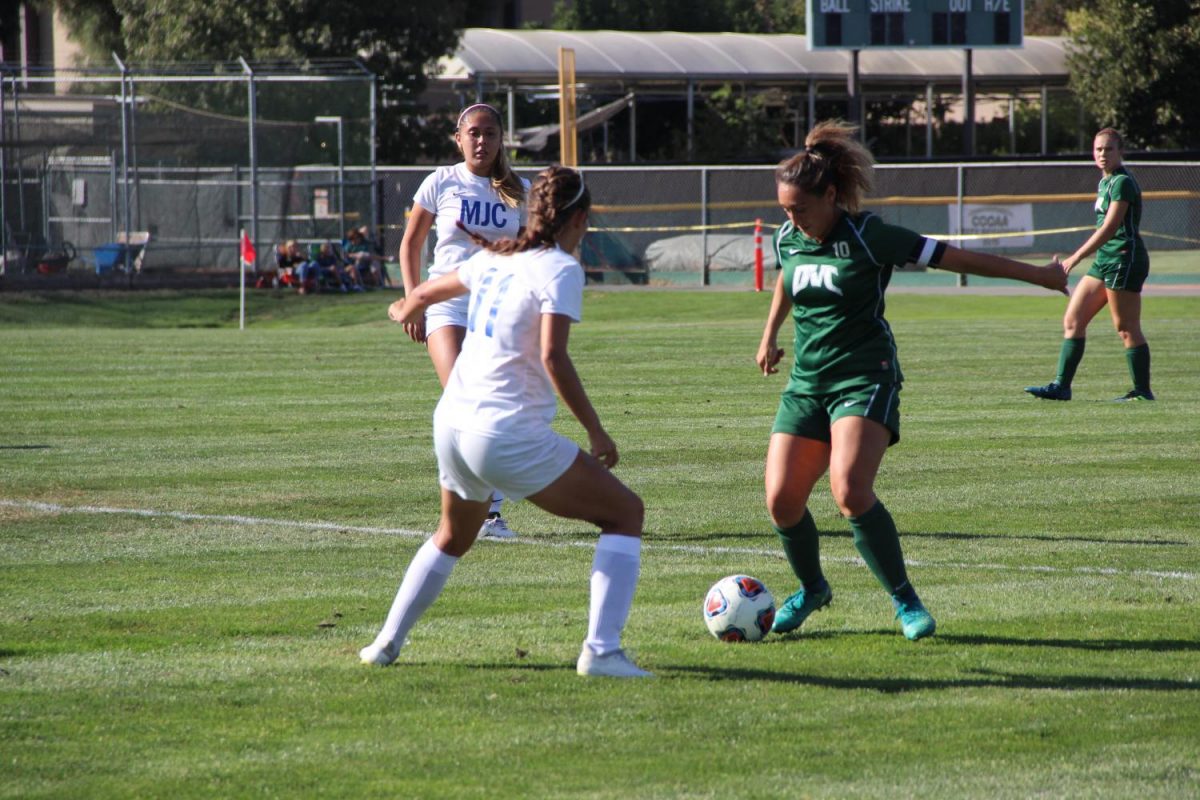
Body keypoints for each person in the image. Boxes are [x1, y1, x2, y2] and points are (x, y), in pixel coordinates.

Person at [756, 121, 1068, 641]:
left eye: (800, 208)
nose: (790, 219)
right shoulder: (791, 237)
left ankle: (906, 602)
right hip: (806, 382)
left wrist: (1037, 275)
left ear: (831, 195)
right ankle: (813, 589)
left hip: (865, 376)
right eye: (785, 210)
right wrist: (769, 334)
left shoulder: (870, 235)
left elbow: (957, 257)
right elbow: (789, 279)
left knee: (850, 490)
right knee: (781, 501)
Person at [361, 166, 650, 678]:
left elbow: (426, 295)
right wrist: (597, 431)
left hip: (452, 423)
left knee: (452, 536)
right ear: (580, 219)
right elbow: (554, 357)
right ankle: (601, 652)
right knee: (625, 512)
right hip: (503, 432)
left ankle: (384, 643)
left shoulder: (495, 254)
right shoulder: (560, 268)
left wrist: (401, 306)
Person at [398, 103, 530, 539]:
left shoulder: (520, 190)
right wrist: (414, 299)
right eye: (473, 133)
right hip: (447, 304)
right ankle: (486, 511)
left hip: (497, 311)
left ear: (500, 140)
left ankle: (480, 506)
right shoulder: (442, 181)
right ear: (458, 137)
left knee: (487, 406)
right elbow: (411, 243)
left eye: (490, 133)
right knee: (461, 394)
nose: (481, 141)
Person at [1024, 128, 1154, 402]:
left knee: (1126, 327)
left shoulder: (1122, 182)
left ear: (1121, 152)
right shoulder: (1104, 182)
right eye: (1098, 149)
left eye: (1108, 149)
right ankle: (1061, 386)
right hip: (1105, 260)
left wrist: (1075, 257)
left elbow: (1109, 229)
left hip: (1124, 258)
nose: (1102, 154)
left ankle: (1142, 392)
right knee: (1073, 320)